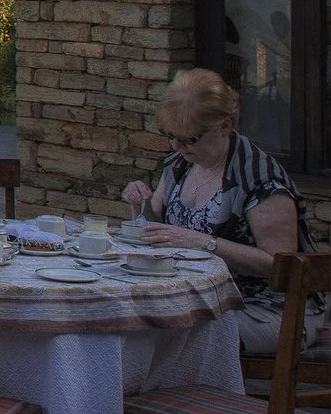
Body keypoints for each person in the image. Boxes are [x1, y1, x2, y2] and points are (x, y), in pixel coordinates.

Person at [121, 69, 322, 354]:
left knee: (168, 336)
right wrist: (140, 204)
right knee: (129, 322)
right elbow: (157, 233)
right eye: (170, 136)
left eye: (190, 139)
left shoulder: (259, 180)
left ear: (225, 126)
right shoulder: (180, 164)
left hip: (270, 309)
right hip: (200, 301)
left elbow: (280, 264)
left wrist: (206, 243)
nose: (177, 146)